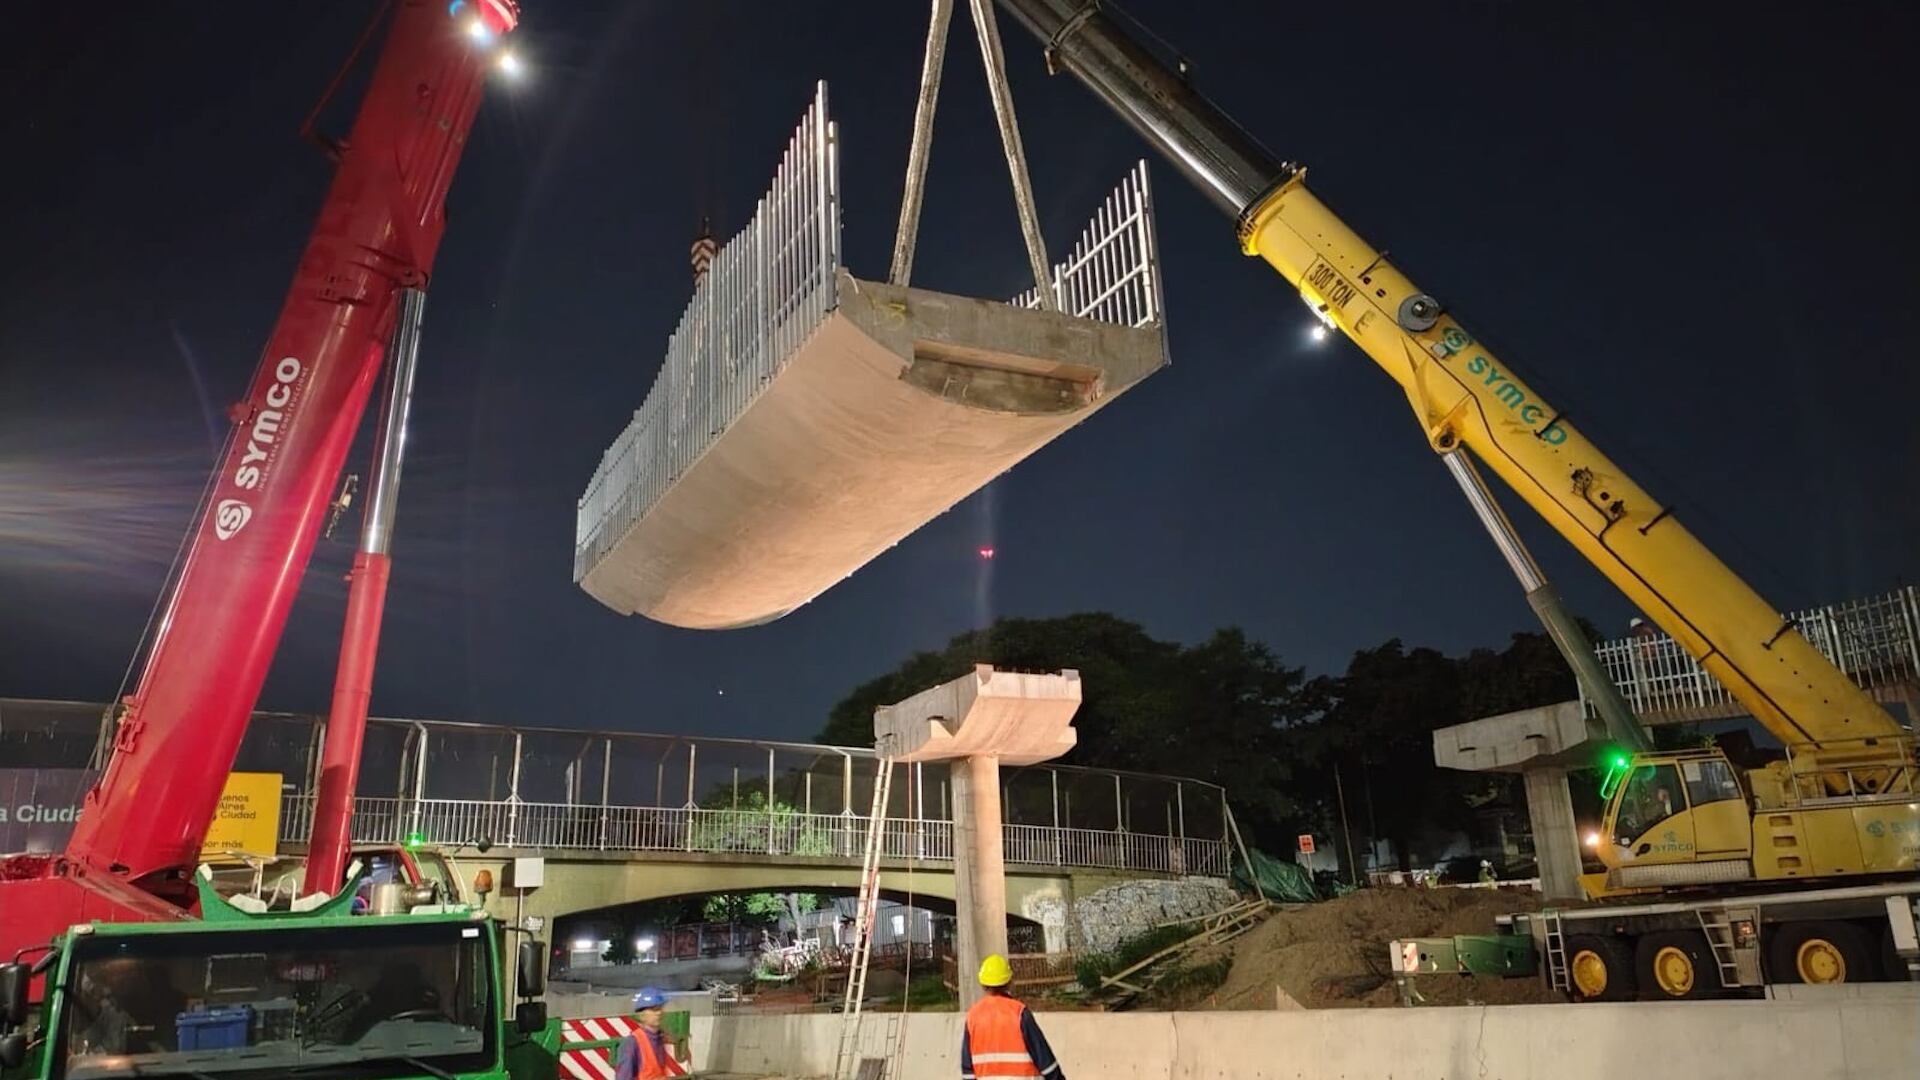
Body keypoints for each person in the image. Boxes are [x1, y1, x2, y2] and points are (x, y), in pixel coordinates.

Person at [960, 955, 1065, 1079]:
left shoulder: (973, 1016)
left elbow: (968, 1071)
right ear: (1009, 982)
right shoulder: (1019, 1013)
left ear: (983, 984)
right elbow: (1045, 1060)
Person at [613, 987, 685, 1080]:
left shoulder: (660, 1039)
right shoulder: (632, 1043)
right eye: (654, 1009)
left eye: (660, 1008)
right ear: (642, 1015)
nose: (659, 1013)